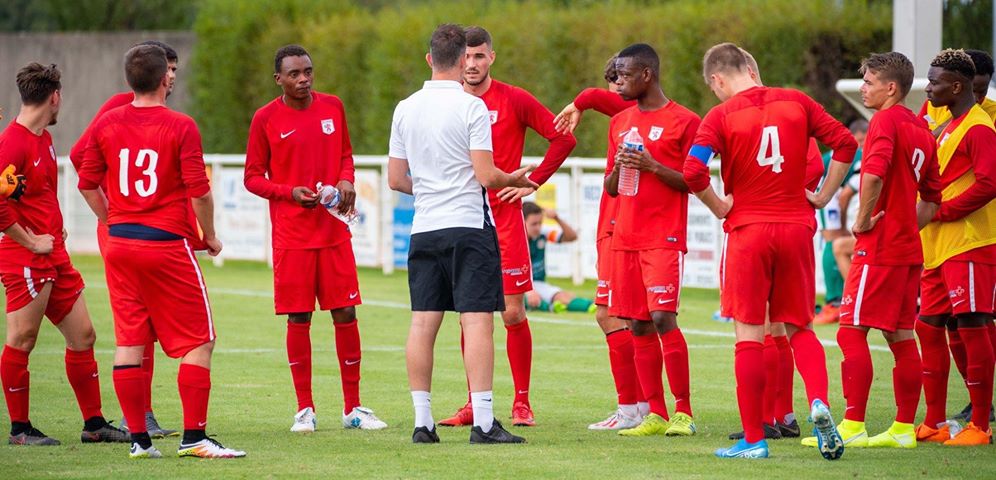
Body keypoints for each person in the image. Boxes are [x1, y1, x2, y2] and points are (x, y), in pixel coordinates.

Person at [683, 42, 858, 459]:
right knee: (801, 327)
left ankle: (754, 440)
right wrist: (822, 195)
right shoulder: (797, 101)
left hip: (749, 230)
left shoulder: (720, 116)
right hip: (797, 226)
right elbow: (846, 144)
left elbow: (692, 170)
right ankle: (818, 403)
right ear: (750, 67)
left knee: (748, 332)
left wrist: (719, 204)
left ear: (717, 79)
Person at [77, 44, 245, 458]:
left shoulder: (108, 122)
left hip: (120, 244)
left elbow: (85, 181)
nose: (173, 76)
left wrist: (110, 217)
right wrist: (209, 234)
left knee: (130, 340)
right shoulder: (180, 125)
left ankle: (139, 440)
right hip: (165, 244)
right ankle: (194, 438)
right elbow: (199, 190)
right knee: (199, 341)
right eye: (170, 72)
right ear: (163, 78)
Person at [387, 23, 536, 444]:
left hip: (424, 228)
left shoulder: (404, 107)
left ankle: (422, 423)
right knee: (477, 322)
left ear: (430, 59)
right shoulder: (471, 107)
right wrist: (519, 180)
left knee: (422, 323)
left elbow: (397, 179)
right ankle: (484, 423)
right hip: (468, 225)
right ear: (460, 61)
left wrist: (432, 187)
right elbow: (487, 175)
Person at [437, 25, 576, 428]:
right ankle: (471, 403)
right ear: (457, 59)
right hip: (461, 218)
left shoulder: (514, 99)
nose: (473, 64)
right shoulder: (445, 102)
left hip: (504, 220)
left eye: (480, 56)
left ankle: (521, 402)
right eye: (467, 56)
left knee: (513, 313)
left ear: (491, 57)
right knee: (468, 313)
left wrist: (535, 182)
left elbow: (562, 139)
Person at [802, 51, 943, 450]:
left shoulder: (884, 121)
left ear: (891, 87)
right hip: (907, 250)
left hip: (878, 247)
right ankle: (902, 429)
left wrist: (863, 221)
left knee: (850, 332)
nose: (863, 87)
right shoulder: (921, 129)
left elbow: (875, 175)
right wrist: (903, 228)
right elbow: (932, 202)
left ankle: (854, 424)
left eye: (868, 81)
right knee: (901, 337)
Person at [244, 45, 386, 433]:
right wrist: (289, 192)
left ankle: (353, 409)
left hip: (333, 230)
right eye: (294, 73)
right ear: (279, 79)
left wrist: (346, 179)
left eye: (308, 71)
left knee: (346, 312)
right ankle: (304, 409)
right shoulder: (265, 119)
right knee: (299, 316)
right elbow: (253, 177)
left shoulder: (334, 106)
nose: (303, 78)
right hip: (292, 237)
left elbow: (346, 153)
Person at [0, 63, 128, 446]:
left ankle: (94, 425)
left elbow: (28, 196)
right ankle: (19, 430)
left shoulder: (42, 139)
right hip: (24, 257)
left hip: (54, 256)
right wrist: (31, 241)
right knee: (22, 340)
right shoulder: (14, 142)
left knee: (84, 336)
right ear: (54, 96)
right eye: (61, 97)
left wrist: (53, 230)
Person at [69, 39, 181, 438]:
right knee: (138, 323)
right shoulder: (121, 104)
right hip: (125, 227)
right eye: (168, 67)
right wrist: (112, 209)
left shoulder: (165, 113)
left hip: (146, 229)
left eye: (174, 68)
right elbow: (80, 156)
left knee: (147, 322)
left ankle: (144, 414)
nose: (172, 75)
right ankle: (142, 414)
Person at [601, 43, 699, 438]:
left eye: (624, 75)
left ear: (647, 75)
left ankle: (684, 411)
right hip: (625, 235)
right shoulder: (619, 122)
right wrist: (621, 167)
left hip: (663, 234)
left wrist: (653, 166)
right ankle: (654, 413)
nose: (618, 82)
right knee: (637, 324)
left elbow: (694, 180)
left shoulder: (685, 121)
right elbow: (610, 188)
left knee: (662, 317)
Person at [553, 56, 649, 431]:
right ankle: (643, 406)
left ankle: (632, 408)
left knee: (611, 314)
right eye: (614, 79)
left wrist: (578, 104)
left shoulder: (632, 111)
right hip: (618, 223)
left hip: (619, 225)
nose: (616, 89)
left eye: (620, 79)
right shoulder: (630, 121)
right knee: (630, 316)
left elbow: (594, 96)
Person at [914, 49, 996, 447]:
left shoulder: (979, 127)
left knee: (973, 325)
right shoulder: (947, 124)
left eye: (934, 82)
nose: (929, 88)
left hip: (968, 243)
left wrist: (942, 211)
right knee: (927, 326)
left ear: (957, 86)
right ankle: (934, 422)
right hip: (937, 245)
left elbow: (988, 182)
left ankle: (980, 426)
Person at [813, 119, 867, 325]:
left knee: (836, 243)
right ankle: (835, 299)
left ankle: (841, 298)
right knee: (833, 240)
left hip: (833, 193)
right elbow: (843, 192)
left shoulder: (861, 155)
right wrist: (844, 224)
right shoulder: (856, 155)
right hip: (829, 194)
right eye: (859, 140)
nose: (861, 144)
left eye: (864, 140)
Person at [521, 201, 593, 314]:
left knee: (562, 297)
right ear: (522, 222)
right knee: (522, 299)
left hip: (537, 283)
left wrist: (556, 218)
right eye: (534, 224)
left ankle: (593, 305)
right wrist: (528, 291)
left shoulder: (542, 234)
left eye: (540, 223)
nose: (538, 227)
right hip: (518, 284)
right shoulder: (512, 240)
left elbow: (571, 237)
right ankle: (548, 307)